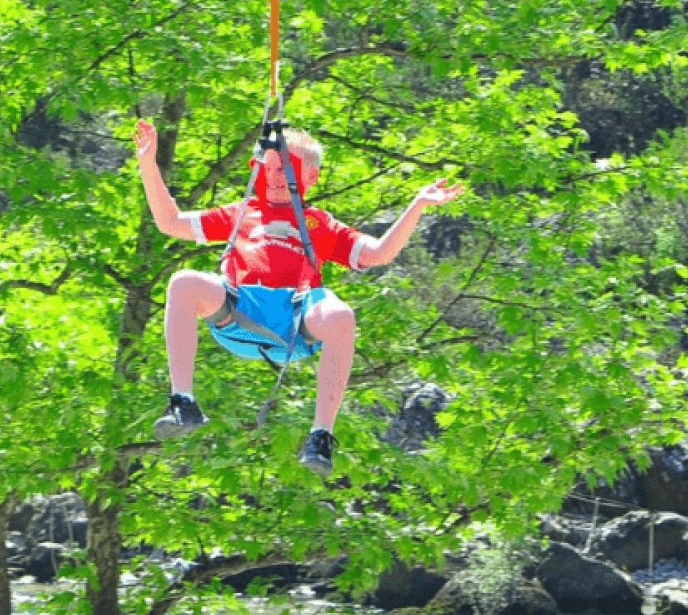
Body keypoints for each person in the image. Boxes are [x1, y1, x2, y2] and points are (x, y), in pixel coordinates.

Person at [133, 118, 464, 475]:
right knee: (183, 282)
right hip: (239, 310)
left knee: (341, 315)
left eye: (288, 169)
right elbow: (170, 222)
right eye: (272, 168)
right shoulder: (242, 213)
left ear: (311, 177)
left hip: (293, 323)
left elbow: (379, 253)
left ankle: (321, 436)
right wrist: (148, 162)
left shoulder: (320, 223)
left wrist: (417, 205)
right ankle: (182, 400)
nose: (277, 177)